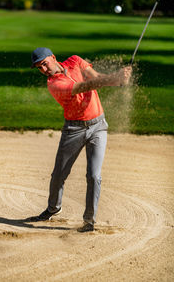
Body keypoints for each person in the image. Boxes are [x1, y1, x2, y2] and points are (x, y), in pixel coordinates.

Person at [26, 47, 132, 232]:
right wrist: (115, 78)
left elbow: (95, 76)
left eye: (44, 63)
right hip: (73, 129)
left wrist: (119, 79)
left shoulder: (75, 60)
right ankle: (53, 208)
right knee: (59, 174)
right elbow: (85, 86)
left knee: (94, 175)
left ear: (53, 57)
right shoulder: (54, 84)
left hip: (98, 126)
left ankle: (89, 221)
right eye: (39, 68)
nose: (43, 69)